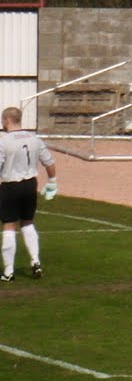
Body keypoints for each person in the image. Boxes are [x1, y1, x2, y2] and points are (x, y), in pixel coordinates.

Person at [0, 106, 57, 281]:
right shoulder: (34, 139)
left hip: (11, 186)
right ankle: (35, 260)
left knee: (9, 225)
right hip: (30, 185)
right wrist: (53, 182)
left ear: (7, 120)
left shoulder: (4, 142)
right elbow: (49, 162)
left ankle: (9, 271)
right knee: (28, 223)